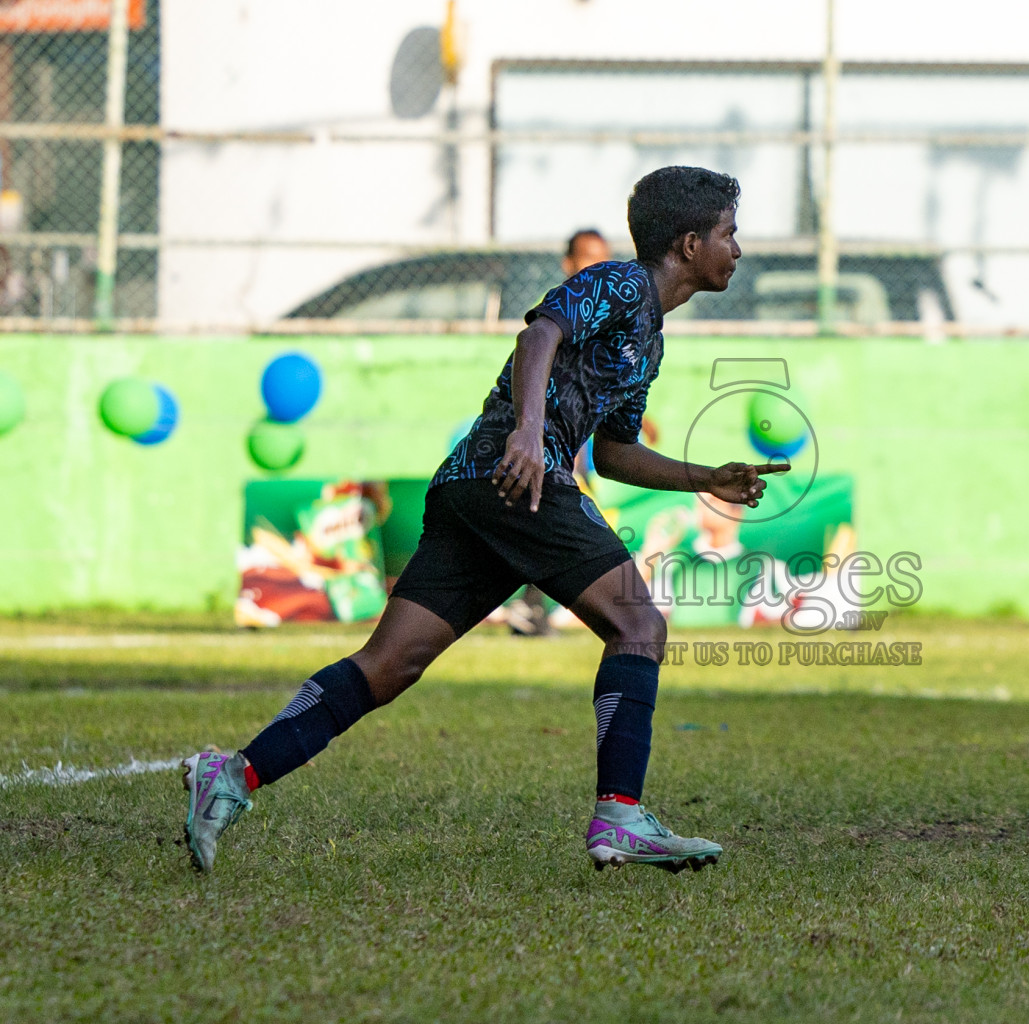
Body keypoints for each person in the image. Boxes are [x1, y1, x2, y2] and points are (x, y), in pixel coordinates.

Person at [182, 166, 790, 873]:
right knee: (639, 625)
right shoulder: (618, 284)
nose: (738, 248)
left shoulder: (649, 337)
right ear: (689, 244)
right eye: (729, 233)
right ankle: (621, 815)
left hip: (478, 487)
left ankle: (230, 777)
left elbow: (617, 452)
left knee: (389, 664)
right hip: (518, 480)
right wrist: (529, 433)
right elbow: (540, 337)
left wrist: (705, 478)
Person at [503, 227, 617, 636]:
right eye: (589, 258)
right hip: (550, 446)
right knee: (549, 526)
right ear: (569, 264)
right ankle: (533, 608)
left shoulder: (605, 315)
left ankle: (532, 609)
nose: (598, 266)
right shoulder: (560, 313)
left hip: (578, 449)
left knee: (547, 529)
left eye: (604, 257)